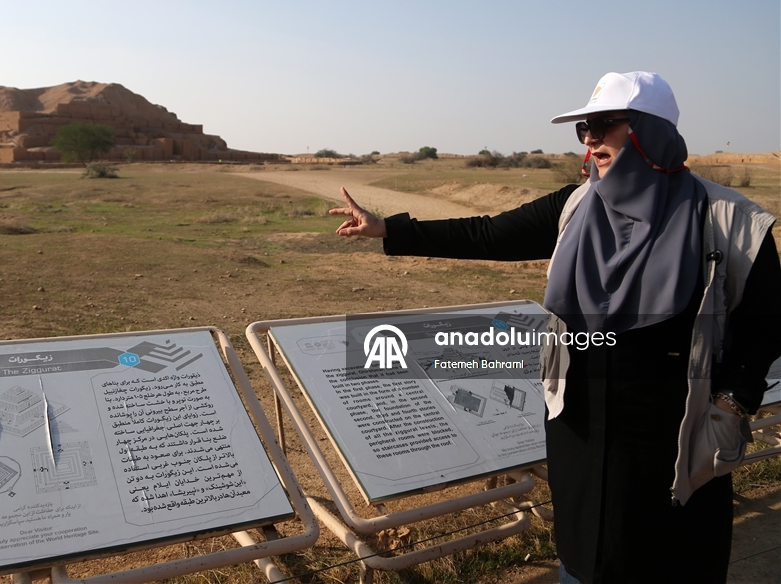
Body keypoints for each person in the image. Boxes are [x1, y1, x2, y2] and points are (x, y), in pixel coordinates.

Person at [329, 71, 780, 584]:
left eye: (604, 124)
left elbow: (766, 324)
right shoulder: (576, 206)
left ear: (651, 132)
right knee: (586, 555)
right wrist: (388, 227)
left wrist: (732, 403)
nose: (589, 138)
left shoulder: (728, 219)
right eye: (583, 128)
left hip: (674, 436)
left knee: (674, 558)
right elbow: (487, 233)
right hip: (581, 428)